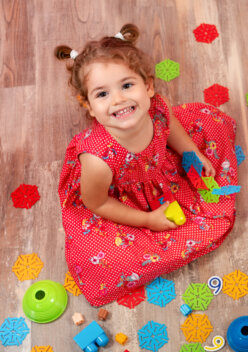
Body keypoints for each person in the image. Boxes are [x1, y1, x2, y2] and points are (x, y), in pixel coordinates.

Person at [56, 24, 238, 306]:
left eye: (127, 85)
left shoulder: (156, 108)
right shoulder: (97, 160)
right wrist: (148, 221)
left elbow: (172, 127)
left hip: (160, 168)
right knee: (111, 261)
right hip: (121, 199)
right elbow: (97, 203)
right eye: (102, 94)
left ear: (148, 87)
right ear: (89, 106)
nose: (118, 99)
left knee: (209, 124)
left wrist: (192, 153)